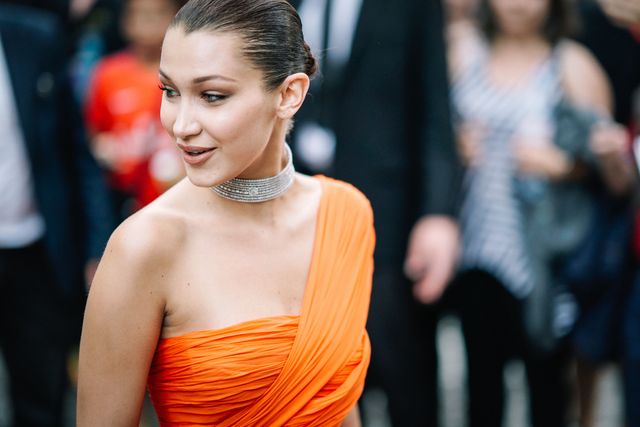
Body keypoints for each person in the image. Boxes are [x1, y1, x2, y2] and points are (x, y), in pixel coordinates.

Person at [76, 0, 375, 425]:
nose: (181, 125)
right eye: (170, 92)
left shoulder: (346, 215)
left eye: (212, 96)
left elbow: (337, 399)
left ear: (289, 94)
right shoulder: (144, 247)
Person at [288, 0, 461, 424]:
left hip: (386, 213)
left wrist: (438, 213)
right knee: (312, 375)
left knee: (404, 369)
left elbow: (435, 106)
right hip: (291, 213)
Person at [447, 0, 619, 425]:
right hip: (477, 248)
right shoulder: (463, 51)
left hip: (545, 259)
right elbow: (427, 133)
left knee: (547, 388)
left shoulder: (572, 64)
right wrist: (455, 146)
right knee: (481, 390)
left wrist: (562, 164)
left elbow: (611, 168)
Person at [0, 2, 113, 426]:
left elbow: (75, 153)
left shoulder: (35, 37)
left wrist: (96, 247)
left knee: (42, 394)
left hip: (39, 251)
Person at [84, 0, 185, 220]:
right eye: (138, 14)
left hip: (179, 195)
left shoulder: (189, 70)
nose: (147, 23)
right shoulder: (107, 73)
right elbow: (94, 132)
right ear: (125, 21)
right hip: (126, 198)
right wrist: (104, 148)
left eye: (157, 14)